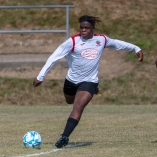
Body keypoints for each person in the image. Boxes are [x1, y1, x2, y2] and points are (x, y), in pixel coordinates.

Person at [33, 15, 143, 148]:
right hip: (71, 81)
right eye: (81, 27)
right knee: (69, 101)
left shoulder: (101, 40)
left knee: (78, 107)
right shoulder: (72, 41)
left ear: (92, 28)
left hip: (89, 81)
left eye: (87, 28)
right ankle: (89, 92)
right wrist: (41, 76)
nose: (83, 30)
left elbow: (117, 43)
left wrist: (136, 48)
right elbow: (53, 57)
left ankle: (64, 136)